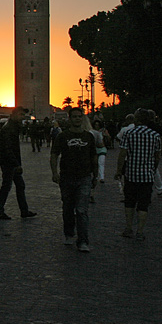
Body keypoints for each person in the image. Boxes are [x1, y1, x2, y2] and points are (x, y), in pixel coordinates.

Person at [51, 107, 98, 252]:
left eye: (80, 116)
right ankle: (69, 232)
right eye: (75, 117)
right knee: (67, 208)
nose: (78, 119)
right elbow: (54, 154)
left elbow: (93, 157)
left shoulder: (89, 137)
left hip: (84, 177)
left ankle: (83, 240)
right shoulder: (62, 136)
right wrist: (54, 172)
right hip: (66, 177)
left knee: (82, 210)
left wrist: (95, 175)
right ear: (70, 119)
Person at [116, 108, 162, 241]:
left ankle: (129, 228)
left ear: (136, 119)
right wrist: (152, 169)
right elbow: (157, 156)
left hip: (131, 174)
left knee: (129, 202)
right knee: (143, 204)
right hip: (147, 176)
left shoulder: (129, 133)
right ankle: (140, 231)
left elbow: (123, 154)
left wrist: (119, 170)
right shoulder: (155, 135)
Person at [0, 107, 38, 220]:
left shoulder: (11, 126)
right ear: (14, 114)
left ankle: (23, 210)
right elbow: (8, 148)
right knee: (7, 186)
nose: (22, 117)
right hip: (9, 162)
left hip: (10, 161)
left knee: (19, 185)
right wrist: (16, 164)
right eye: (21, 115)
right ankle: (0, 211)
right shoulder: (9, 128)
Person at [91, 118, 111, 184]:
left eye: (98, 125)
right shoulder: (92, 131)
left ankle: (101, 177)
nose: (97, 126)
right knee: (95, 164)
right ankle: (96, 176)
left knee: (101, 163)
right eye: (96, 125)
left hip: (102, 149)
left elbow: (109, 137)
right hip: (95, 149)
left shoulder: (103, 131)